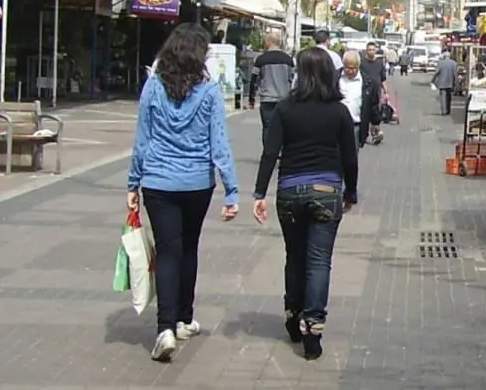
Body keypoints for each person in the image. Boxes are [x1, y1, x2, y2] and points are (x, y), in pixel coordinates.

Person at [127, 23, 240, 362]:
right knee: (188, 247)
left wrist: (133, 183)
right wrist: (231, 190)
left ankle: (164, 327)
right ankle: (183, 318)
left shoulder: (152, 87)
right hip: (196, 182)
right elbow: (218, 142)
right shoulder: (208, 91)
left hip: (158, 181)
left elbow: (142, 140)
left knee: (167, 250)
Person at [253, 47, 358, 360]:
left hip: (290, 189)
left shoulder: (285, 108)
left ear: (299, 73)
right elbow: (350, 157)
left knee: (294, 255)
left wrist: (259, 194)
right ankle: (313, 325)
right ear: (330, 73)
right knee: (319, 260)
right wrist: (350, 192)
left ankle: (292, 312)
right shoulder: (339, 111)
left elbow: (270, 152)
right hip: (327, 190)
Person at [251, 33, 294, 133]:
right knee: (284, 128)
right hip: (284, 98)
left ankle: (268, 148)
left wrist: (251, 98)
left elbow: (254, 80)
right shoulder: (288, 59)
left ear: (269, 42)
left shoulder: (261, 59)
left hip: (267, 99)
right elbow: (292, 79)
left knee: (268, 128)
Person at [339, 49, 368, 146]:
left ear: (358, 66)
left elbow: (372, 104)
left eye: (353, 68)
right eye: (347, 68)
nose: (350, 71)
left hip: (355, 126)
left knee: (352, 157)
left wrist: (375, 123)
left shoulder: (367, 82)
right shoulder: (334, 78)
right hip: (336, 126)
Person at [361, 43, 387, 145]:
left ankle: (376, 133)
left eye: (373, 50)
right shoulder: (362, 63)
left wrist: (386, 92)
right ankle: (365, 135)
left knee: (376, 114)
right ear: (366, 51)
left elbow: (383, 79)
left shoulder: (379, 63)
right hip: (364, 92)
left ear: (376, 51)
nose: (371, 51)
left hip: (376, 93)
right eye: (369, 50)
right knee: (365, 114)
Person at [432, 50, 458, 116]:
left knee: (443, 97)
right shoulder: (454, 63)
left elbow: (436, 72)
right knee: (449, 97)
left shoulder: (440, 63)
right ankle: (448, 110)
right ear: (449, 56)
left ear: (444, 56)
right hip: (450, 82)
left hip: (442, 83)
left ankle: (443, 111)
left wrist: (433, 80)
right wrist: (456, 83)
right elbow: (455, 74)